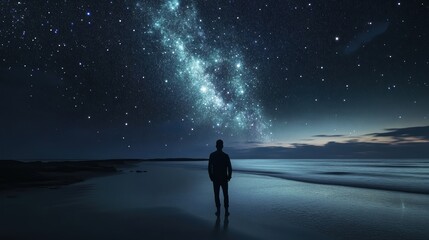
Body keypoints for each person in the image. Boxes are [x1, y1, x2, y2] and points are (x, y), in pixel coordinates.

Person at [208, 139, 232, 216]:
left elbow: (209, 167)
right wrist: (229, 176)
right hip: (224, 178)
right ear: (222, 146)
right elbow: (230, 167)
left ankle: (218, 211)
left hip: (216, 178)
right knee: (225, 194)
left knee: (217, 194)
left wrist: (211, 176)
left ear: (216, 146)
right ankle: (226, 211)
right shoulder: (225, 156)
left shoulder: (212, 155)